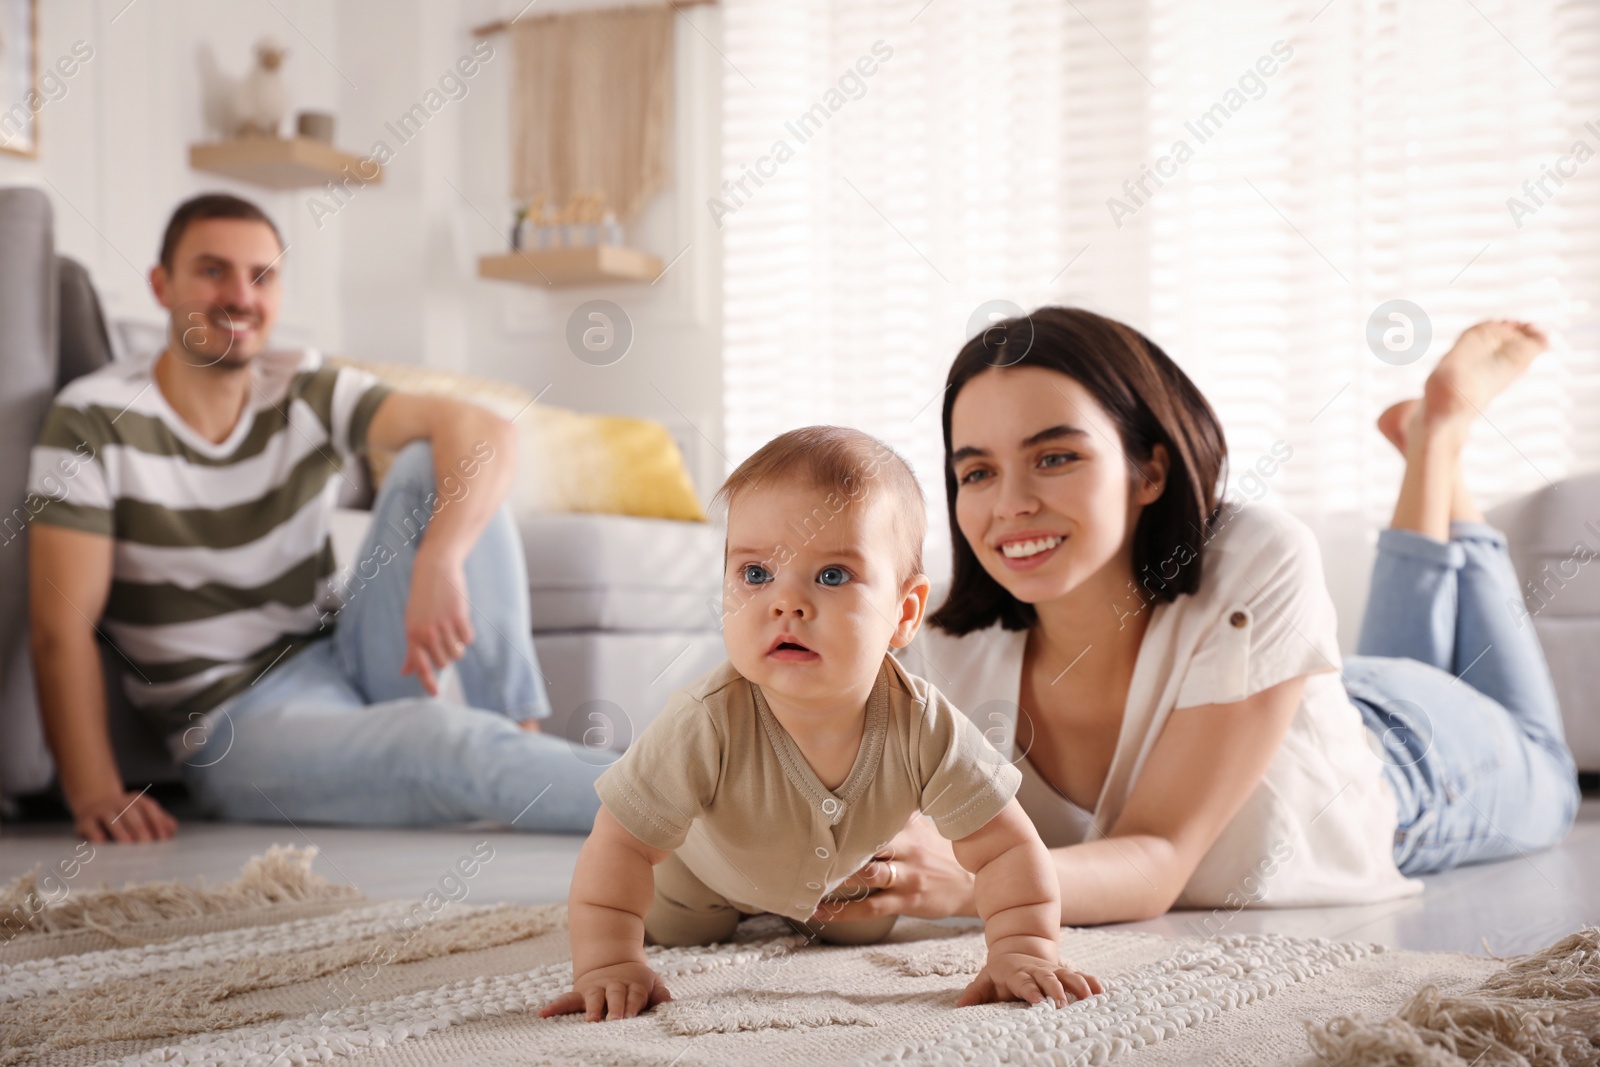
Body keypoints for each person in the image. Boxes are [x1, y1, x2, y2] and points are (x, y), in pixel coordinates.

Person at [821, 308, 1580, 926]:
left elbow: (1155, 854)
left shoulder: (1257, 555)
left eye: (1054, 457)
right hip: (1296, 700)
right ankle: (1428, 446)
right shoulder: (942, 643)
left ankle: (1439, 439)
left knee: (1551, 767)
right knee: (1361, 686)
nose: (1010, 502)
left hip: (1419, 761)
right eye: (976, 470)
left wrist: (969, 877)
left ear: (1148, 469)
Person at [27, 193, 603, 844]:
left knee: (430, 462)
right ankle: (689, 819)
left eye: (261, 276)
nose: (239, 295)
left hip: (349, 657)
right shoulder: (92, 419)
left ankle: (519, 742)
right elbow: (58, 626)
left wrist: (440, 558)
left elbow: (485, 429)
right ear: (162, 285)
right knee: (442, 741)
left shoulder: (303, 385)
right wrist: (96, 790)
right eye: (213, 270)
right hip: (236, 722)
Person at [540, 427, 1103, 1022]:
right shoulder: (706, 719)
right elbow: (620, 844)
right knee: (677, 925)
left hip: (842, 881)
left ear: (905, 613)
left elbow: (1007, 849)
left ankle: (817, 911)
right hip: (702, 873)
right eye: (755, 575)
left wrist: (1023, 947)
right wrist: (607, 963)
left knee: (864, 925)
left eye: (832, 576)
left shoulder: (924, 722)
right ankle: (703, 910)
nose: (786, 603)